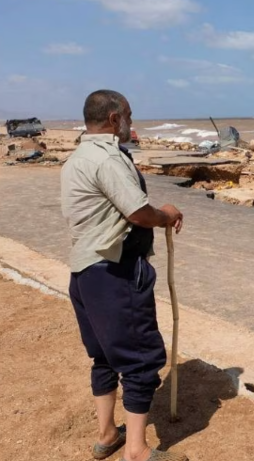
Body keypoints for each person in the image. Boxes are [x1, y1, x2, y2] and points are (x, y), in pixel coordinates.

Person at [61, 90, 187, 461]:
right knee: (140, 359)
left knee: (104, 356)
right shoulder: (107, 158)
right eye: (129, 115)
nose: (132, 122)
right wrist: (166, 214)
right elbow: (138, 213)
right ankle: (136, 450)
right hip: (115, 273)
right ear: (114, 119)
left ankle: (107, 435)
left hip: (84, 273)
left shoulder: (77, 157)